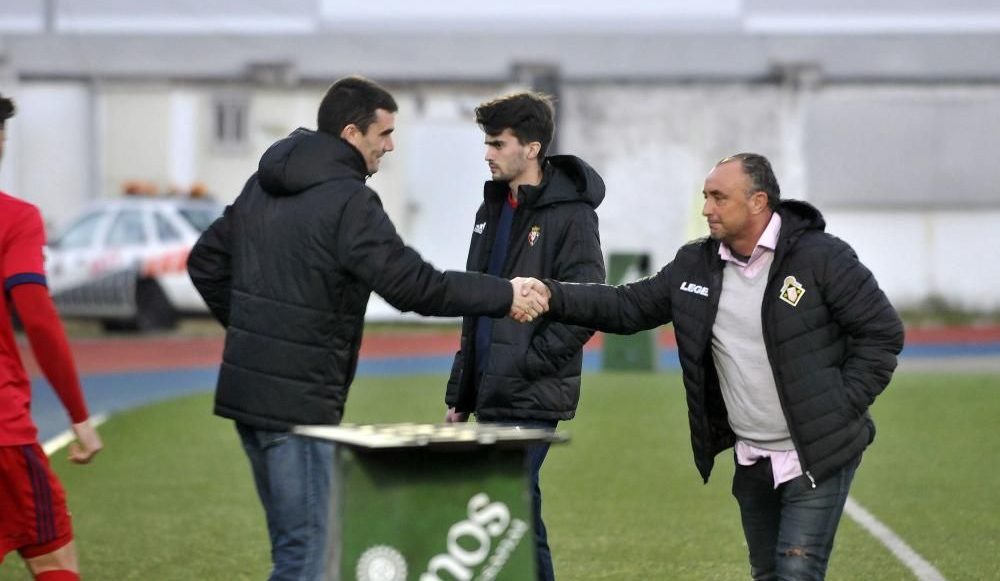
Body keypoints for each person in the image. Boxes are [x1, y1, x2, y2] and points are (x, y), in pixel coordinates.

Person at [186, 75, 548, 581]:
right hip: (298, 403)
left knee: (302, 547)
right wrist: (505, 294)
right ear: (352, 133)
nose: (391, 145)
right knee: (308, 554)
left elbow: (205, 262)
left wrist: (257, 334)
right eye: (384, 133)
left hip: (251, 392)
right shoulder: (348, 201)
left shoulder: (261, 185)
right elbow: (413, 286)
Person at [527, 153, 904, 580]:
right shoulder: (696, 265)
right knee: (766, 573)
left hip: (817, 454)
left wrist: (840, 404)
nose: (707, 208)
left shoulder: (822, 257)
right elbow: (627, 307)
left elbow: (882, 333)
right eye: (706, 197)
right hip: (751, 457)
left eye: (719, 197)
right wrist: (553, 295)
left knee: (797, 573)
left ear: (759, 201)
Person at [442, 91, 604, 580]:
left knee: (505, 504)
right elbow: (477, 308)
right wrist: (461, 392)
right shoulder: (489, 209)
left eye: (497, 143)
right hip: (491, 392)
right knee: (512, 512)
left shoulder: (572, 216)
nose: (487, 154)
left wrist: (531, 362)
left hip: (531, 393)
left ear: (531, 148)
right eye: (486, 143)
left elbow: (586, 306)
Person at [0, 93, 103, 580]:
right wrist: (79, 416)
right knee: (53, 557)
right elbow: (37, 320)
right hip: (2, 434)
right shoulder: (15, 218)